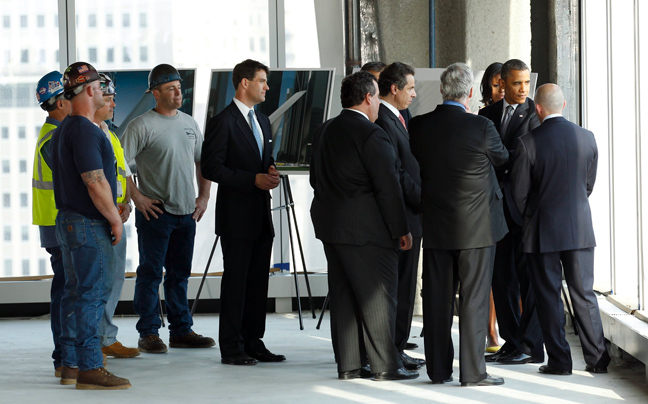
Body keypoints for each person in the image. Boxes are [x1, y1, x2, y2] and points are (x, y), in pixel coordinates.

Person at [310, 70, 417, 381]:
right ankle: (385, 365)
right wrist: (401, 229)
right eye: (377, 98)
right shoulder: (372, 134)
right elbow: (388, 187)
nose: (379, 104)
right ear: (369, 97)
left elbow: (316, 179)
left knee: (342, 296)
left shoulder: (325, 130)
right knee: (379, 296)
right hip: (368, 230)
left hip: (331, 228)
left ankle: (350, 364)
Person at [409, 62, 508, 386]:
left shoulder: (419, 126)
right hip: (476, 230)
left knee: (437, 301)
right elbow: (502, 158)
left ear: (441, 90)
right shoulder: (481, 127)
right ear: (470, 93)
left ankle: (438, 370)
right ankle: (473, 372)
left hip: (436, 227)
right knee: (474, 301)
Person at [511, 83, 611, 375]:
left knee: (548, 295)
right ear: (564, 105)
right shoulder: (587, 137)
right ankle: (597, 359)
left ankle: (560, 361)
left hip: (542, 231)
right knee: (584, 294)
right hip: (579, 229)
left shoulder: (528, 142)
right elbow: (588, 185)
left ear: (537, 109)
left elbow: (519, 194)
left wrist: (533, 215)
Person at [121, 64, 214, 354]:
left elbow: (203, 161)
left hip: (187, 213)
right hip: (156, 214)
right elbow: (119, 164)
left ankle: (181, 331)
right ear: (155, 93)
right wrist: (138, 198)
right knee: (150, 274)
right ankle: (148, 333)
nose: (178, 92)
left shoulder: (190, 124)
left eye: (179, 87)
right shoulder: (140, 126)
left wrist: (203, 197)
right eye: (170, 88)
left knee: (179, 274)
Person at [51, 61, 130, 389]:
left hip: (69, 221)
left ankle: (70, 364)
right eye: (99, 87)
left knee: (74, 292)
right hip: (88, 224)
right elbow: (95, 182)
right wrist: (114, 219)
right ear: (87, 91)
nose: (103, 93)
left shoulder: (65, 128)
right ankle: (90, 367)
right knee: (92, 294)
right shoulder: (84, 130)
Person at [201, 59, 284, 366]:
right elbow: (211, 168)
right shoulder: (222, 121)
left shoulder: (262, 120)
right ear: (244, 83)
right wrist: (253, 180)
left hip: (261, 214)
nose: (267, 87)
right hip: (236, 217)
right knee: (236, 283)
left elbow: (263, 159)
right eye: (262, 81)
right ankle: (232, 346)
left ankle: (253, 341)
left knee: (258, 282)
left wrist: (270, 171)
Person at [478, 59, 544, 365]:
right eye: (517, 83)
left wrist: (501, 157)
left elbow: (526, 156)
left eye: (526, 83)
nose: (523, 89)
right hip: (494, 207)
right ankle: (511, 341)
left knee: (527, 278)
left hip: (524, 208)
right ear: (502, 84)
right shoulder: (487, 115)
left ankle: (530, 345)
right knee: (501, 277)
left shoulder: (535, 114)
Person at [374, 62, 424, 370]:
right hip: (402, 216)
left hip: (409, 214)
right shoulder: (382, 119)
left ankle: (398, 348)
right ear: (394, 89)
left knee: (405, 288)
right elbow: (395, 171)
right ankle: (391, 351)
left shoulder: (401, 116)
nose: (414, 94)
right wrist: (423, 199)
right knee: (398, 289)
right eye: (411, 88)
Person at [92, 73, 139, 359]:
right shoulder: (86, 134)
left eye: (113, 99)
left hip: (116, 215)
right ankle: (93, 342)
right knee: (96, 283)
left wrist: (127, 205)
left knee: (113, 279)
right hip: (99, 219)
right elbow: (93, 182)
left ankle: (105, 338)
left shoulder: (109, 134)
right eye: (108, 99)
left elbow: (122, 175)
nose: (113, 105)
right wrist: (112, 212)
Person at [32, 71, 70, 377]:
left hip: (56, 223)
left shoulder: (54, 134)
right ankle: (64, 358)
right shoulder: (55, 138)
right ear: (58, 103)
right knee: (66, 292)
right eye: (69, 96)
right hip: (59, 225)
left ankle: (67, 356)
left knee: (67, 289)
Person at [480, 62, 505, 353]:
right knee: (487, 274)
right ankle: (491, 333)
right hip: (486, 201)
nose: (500, 90)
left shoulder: (523, 114)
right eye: (496, 85)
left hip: (510, 199)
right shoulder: (482, 117)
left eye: (503, 85)